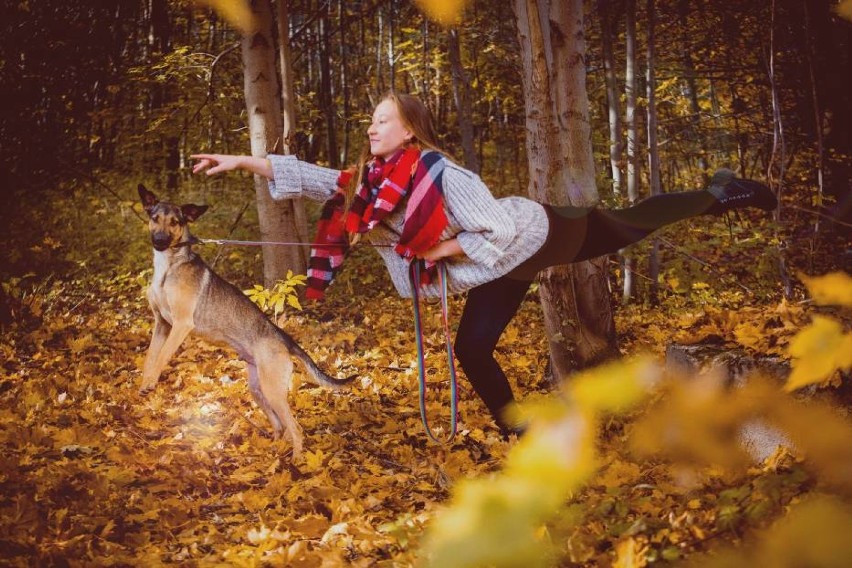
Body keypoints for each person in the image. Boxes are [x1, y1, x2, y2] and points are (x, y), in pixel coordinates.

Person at [192, 92, 777, 437]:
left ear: (411, 129)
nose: (371, 126)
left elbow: (494, 227)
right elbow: (314, 178)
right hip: (498, 268)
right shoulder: (373, 182)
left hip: (540, 236)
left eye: (383, 119)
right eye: (370, 119)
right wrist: (242, 160)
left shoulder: (444, 174)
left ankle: (725, 192)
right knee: (472, 347)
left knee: (629, 221)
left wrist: (438, 249)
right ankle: (519, 429)